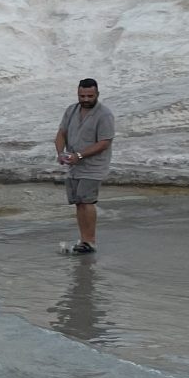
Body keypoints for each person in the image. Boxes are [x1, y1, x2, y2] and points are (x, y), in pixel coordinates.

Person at [54, 78, 115, 254]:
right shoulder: (71, 110)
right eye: (82, 95)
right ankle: (83, 240)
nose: (86, 99)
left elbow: (104, 143)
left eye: (90, 96)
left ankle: (90, 241)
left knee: (87, 200)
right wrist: (60, 153)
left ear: (97, 94)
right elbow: (61, 133)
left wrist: (79, 155)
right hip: (74, 165)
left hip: (94, 166)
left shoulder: (104, 115)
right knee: (78, 201)